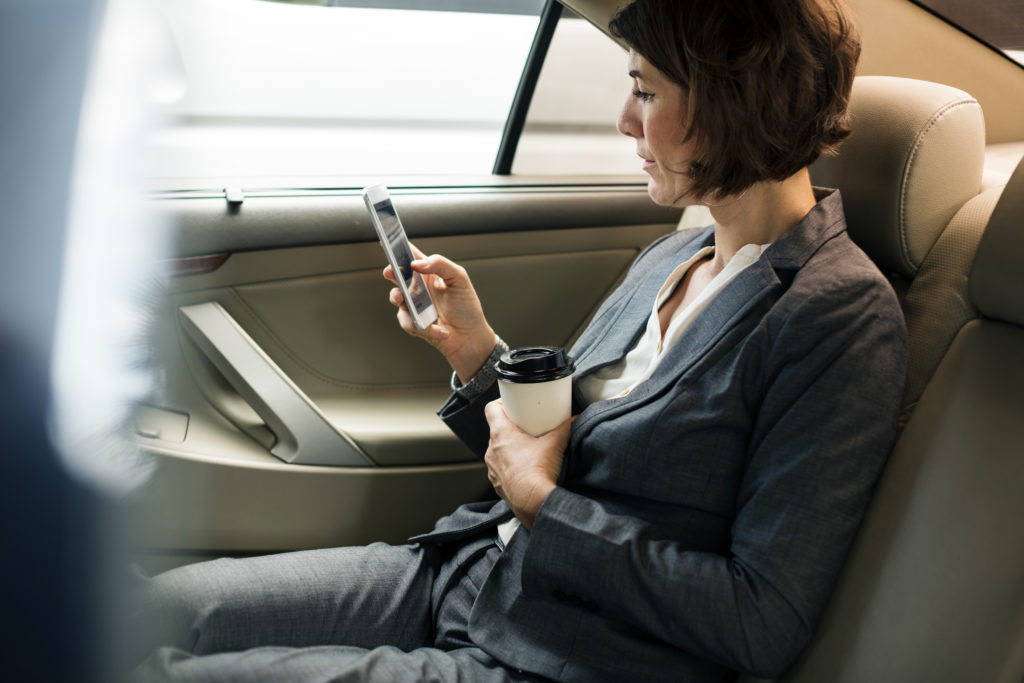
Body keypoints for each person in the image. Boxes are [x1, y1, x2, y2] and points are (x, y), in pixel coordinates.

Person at [129, 1, 907, 681]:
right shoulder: (676, 253)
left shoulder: (838, 315)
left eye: (645, 90)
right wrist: (478, 354)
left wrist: (540, 502)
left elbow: (759, 617)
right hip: (463, 568)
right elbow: (581, 437)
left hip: (556, 656)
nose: (624, 120)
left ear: (731, 101)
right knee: (138, 612)